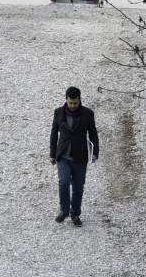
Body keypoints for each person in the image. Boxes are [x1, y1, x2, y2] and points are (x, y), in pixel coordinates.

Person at [49, 86, 99, 226]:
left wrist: (95, 152)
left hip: (80, 156)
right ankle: (64, 210)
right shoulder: (58, 112)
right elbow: (54, 134)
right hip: (63, 156)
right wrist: (52, 154)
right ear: (66, 99)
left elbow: (93, 134)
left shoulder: (88, 114)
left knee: (78, 186)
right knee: (64, 182)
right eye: (70, 103)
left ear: (79, 100)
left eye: (75, 103)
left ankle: (75, 214)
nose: (72, 105)